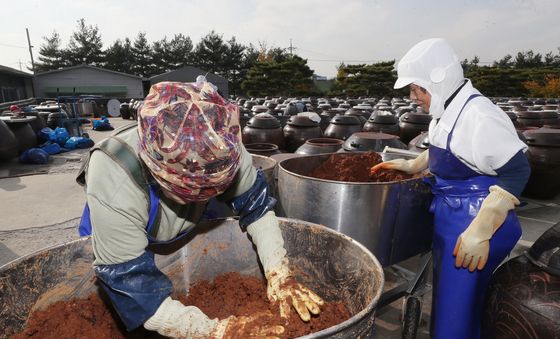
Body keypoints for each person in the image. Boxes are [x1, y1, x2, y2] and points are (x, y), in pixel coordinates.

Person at [77, 80, 323, 338]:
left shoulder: (220, 140)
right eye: (188, 189)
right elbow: (136, 293)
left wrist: (279, 273)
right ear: (155, 169)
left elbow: (257, 207)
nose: (199, 196)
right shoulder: (115, 178)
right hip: (122, 240)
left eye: (211, 188)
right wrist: (220, 331)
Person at [370, 38, 530, 339]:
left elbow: (518, 170)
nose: (413, 96)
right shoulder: (448, 108)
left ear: (439, 80)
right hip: (454, 216)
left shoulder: (479, 116)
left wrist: (480, 230)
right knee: (458, 304)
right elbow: (451, 149)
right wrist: (413, 165)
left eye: (418, 88)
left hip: (475, 220)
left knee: (455, 313)